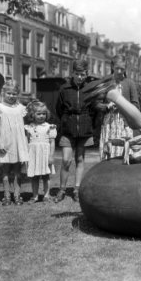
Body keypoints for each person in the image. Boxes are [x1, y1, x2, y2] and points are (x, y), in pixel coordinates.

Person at [54, 59, 96, 203]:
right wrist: (67, 120)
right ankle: (62, 190)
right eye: (77, 74)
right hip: (68, 129)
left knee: (80, 159)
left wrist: (88, 123)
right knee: (66, 160)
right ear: (72, 73)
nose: (80, 77)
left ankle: (77, 189)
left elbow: (94, 110)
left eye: (82, 74)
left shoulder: (90, 89)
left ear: (87, 74)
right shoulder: (64, 89)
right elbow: (58, 109)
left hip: (84, 128)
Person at [94, 56, 140, 160]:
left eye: (122, 68)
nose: (119, 71)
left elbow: (136, 105)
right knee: (107, 159)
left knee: (123, 158)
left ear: (125, 68)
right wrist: (107, 106)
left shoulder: (129, 83)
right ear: (112, 67)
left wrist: (123, 106)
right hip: (109, 126)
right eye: (117, 68)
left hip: (125, 125)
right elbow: (96, 104)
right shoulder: (105, 82)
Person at [0, 80, 29, 206]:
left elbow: (24, 126)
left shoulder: (21, 108)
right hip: (5, 143)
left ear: (17, 94)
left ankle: (17, 195)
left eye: (14, 93)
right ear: (4, 92)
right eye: (9, 93)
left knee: (18, 171)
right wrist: (0, 143)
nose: (11, 96)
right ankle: (7, 196)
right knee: (6, 171)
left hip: (18, 143)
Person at [24, 101, 57, 203]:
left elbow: (52, 142)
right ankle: (35, 196)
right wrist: (25, 156)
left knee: (46, 176)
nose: (41, 116)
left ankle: (46, 195)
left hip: (45, 154)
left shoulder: (49, 127)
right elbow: (26, 142)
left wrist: (51, 156)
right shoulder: (28, 127)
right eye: (39, 114)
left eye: (44, 113)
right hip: (33, 154)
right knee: (34, 176)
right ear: (32, 114)